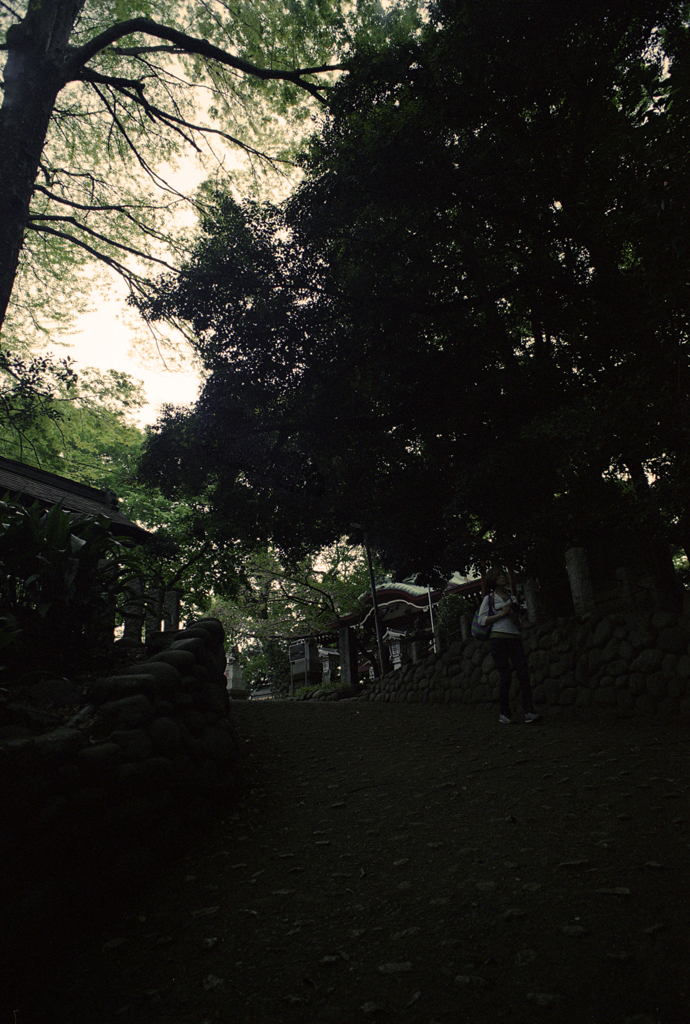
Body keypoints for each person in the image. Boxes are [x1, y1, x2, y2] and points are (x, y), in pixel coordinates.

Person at [477, 568, 541, 725]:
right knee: (505, 676)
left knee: (523, 673)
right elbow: (481, 620)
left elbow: (518, 622)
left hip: (514, 637)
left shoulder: (512, 598)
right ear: (493, 579)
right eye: (498, 575)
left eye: (503, 575)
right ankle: (504, 712)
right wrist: (501, 614)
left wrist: (513, 615)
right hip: (498, 639)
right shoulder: (489, 599)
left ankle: (529, 710)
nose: (502, 577)